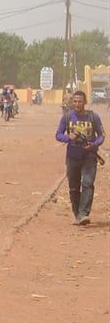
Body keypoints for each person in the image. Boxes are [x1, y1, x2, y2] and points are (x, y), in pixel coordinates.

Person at [55, 90, 105, 225]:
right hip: (72, 157)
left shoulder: (94, 117)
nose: (77, 104)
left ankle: (83, 213)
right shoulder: (66, 117)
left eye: (80, 101)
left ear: (85, 102)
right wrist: (68, 137)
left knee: (88, 184)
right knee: (73, 188)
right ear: (72, 102)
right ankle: (77, 214)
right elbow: (58, 135)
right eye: (75, 101)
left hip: (89, 156)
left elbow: (101, 135)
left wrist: (94, 145)